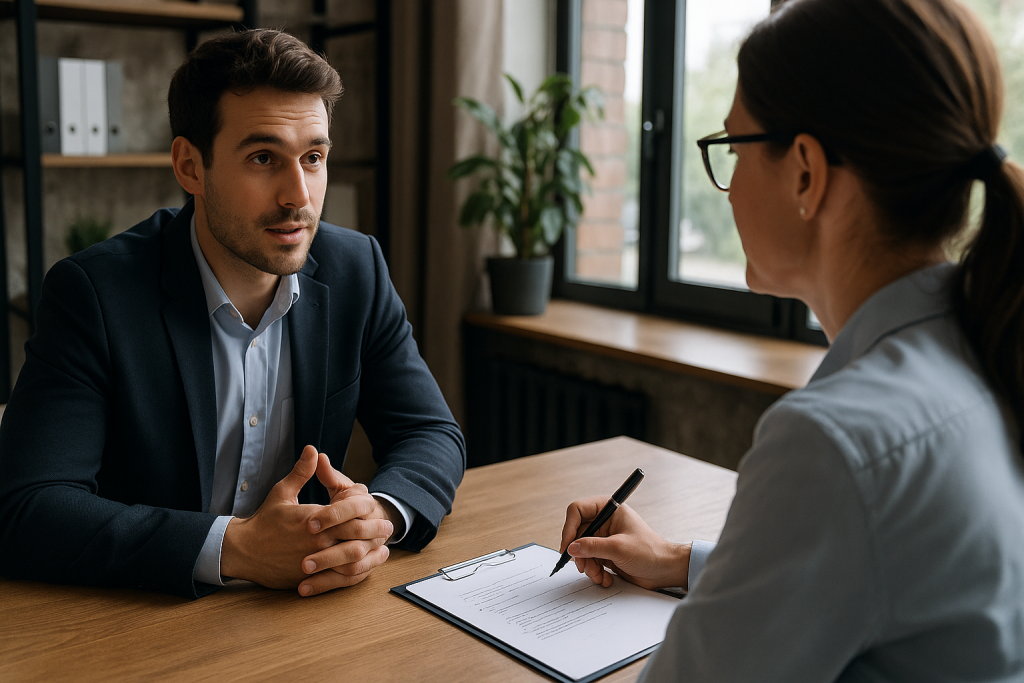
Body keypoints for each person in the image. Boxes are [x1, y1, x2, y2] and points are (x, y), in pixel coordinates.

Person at [558, 0, 1024, 679]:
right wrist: (676, 560)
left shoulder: (834, 442)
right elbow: (887, 568)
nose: (727, 188)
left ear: (805, 171)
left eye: (733, 148)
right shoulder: (989, 350)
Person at [0, 29, 465, 600]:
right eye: (263, 158)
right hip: (146, 614)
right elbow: (27, 505)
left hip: (305, 607)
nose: (299, 195)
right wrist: (235, 548)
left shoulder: (355, 269)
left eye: (314, 158)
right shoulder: (95, 294)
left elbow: (429, 432)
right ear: (190, 166)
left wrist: (381, 517)